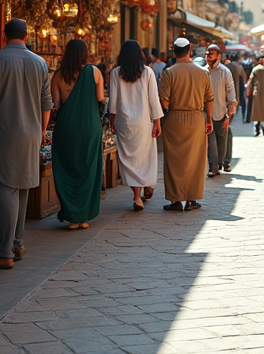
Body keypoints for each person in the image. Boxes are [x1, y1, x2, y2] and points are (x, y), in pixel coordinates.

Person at [0, 19, 53, 269]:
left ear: (4, 36)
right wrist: (41, 131)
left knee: (3, 190)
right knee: (22, 187)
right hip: (30, 134)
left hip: (3, 133)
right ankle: (17, 243)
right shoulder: (40, 63)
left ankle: (4, 251)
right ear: (27, 37)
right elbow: (46, 103)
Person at [51, 38, 105, 230]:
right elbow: (100, 98)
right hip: (90, 125)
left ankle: (73, 216)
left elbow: (55, 105)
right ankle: (84, 216)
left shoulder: (58, 76)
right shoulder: (95, 72)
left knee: (67, 168)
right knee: (88, 168)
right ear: (85, 54)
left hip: (67, 127)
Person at [158, 37, 214, 211]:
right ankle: (191, 199)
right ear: (190, 50)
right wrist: (209, 119)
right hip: (197, 118)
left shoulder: (169, 73)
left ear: (173, 52)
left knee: (174, 161)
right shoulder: (203, 73)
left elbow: (164, 103)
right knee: (195, 160)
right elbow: (210, 98)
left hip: (175, 119)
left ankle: (176, 200)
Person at [109, 39, 164, 211]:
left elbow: (113, 101)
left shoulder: (115, 72)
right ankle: (142, 190)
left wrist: (111, 121)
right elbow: (153, 99)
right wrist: (157, 122)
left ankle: (137, 195)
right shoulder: (148, 72)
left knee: (128, 159)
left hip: (124, 122)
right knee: (144, 157)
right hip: (143, 121)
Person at [204, 44, 237, 177]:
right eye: (207, 53)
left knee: (222, 142)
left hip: (221, 113)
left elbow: (231, 92)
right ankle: (213, 166)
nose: (209, 55)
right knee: (211, 143)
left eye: (212, 53)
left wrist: (229, 115)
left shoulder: (225, 72)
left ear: (218, 55)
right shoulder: (202, 71)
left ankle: (221, 162)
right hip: (206, 115)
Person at [246, 54, 264, 135]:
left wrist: (249, 91)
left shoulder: (255, 69)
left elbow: (250, 81)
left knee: (258, 111)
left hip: (257, 92)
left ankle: (257, 127)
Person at [241, 55, 254, 122]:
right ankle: (248, 118)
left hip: (246, 86)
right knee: (249, 103)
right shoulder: (252, 68)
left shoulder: (242, 66)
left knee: (246, 103)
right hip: (250, 86)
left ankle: (246, 118)